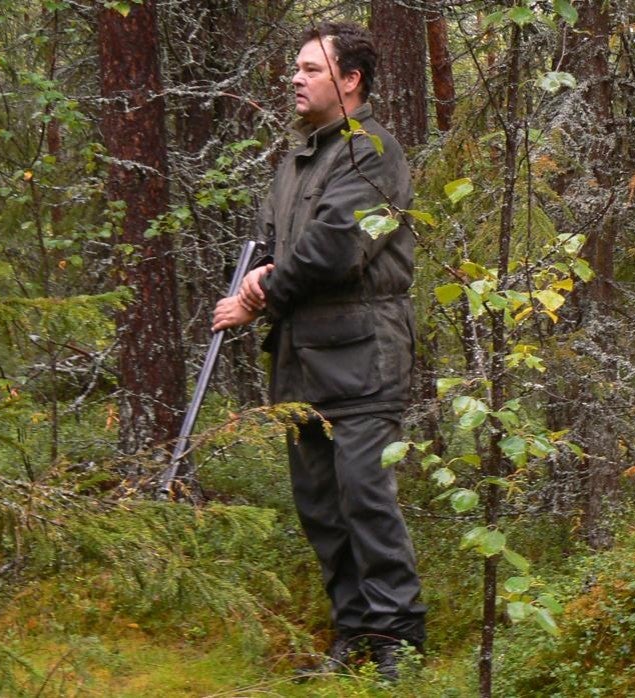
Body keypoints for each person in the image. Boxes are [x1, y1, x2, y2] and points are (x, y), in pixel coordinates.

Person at [212, 21, 424, 682]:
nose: (296, 80)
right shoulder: (297, 161)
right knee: (322, 508)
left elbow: (336, 247)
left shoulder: (374, 152)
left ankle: (399, 644)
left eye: (309, 69)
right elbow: (280, 248)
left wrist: (257, 295)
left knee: (365, 498)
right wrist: (260, 275)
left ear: (350, 79)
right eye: (296, 69)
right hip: (300, 362)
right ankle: (354, 636)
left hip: (363, 357)